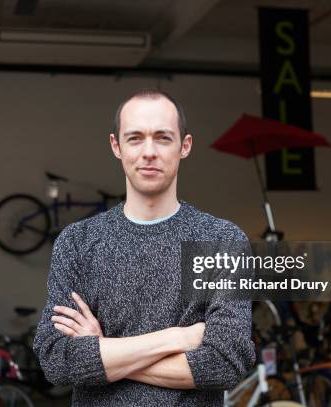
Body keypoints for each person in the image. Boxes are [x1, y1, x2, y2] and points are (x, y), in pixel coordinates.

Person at [33, 89, 255, 406]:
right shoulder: (77, 241)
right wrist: (175, 338)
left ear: (185, 146)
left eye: (163, 138)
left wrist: (102, 350)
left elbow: (225, 363)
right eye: (135, 138)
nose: (148, 151)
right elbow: (55, 358)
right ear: (116, 146)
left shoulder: (221, 240)